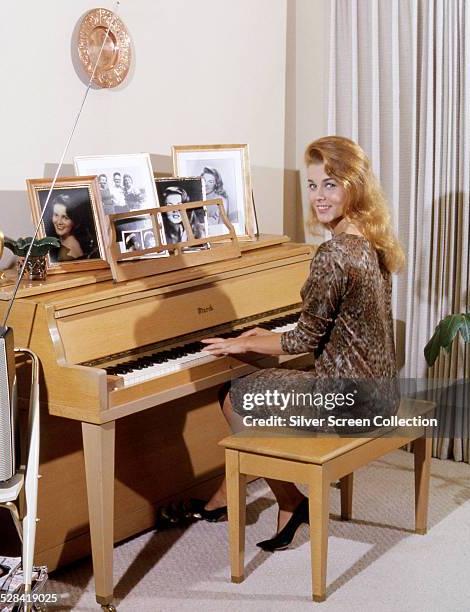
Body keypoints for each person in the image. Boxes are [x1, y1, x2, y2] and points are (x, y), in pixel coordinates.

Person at [179, 136, 405, 550]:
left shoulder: (334, 253)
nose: (319, 197)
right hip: (381, 392)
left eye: (330, 184)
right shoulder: (373, 240)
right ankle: (241, 494)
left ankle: (287, 499)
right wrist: (262, 337)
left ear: (354, 186)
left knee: (233, 396)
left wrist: (237, 345)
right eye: (313, 185)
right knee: (263, 381)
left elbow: (302, 339)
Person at [45, 194, 99, 262]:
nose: (59, 222)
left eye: (65, 217)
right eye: (56, 215)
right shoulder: (63, 244)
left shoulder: (67, 252)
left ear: (75, 221)